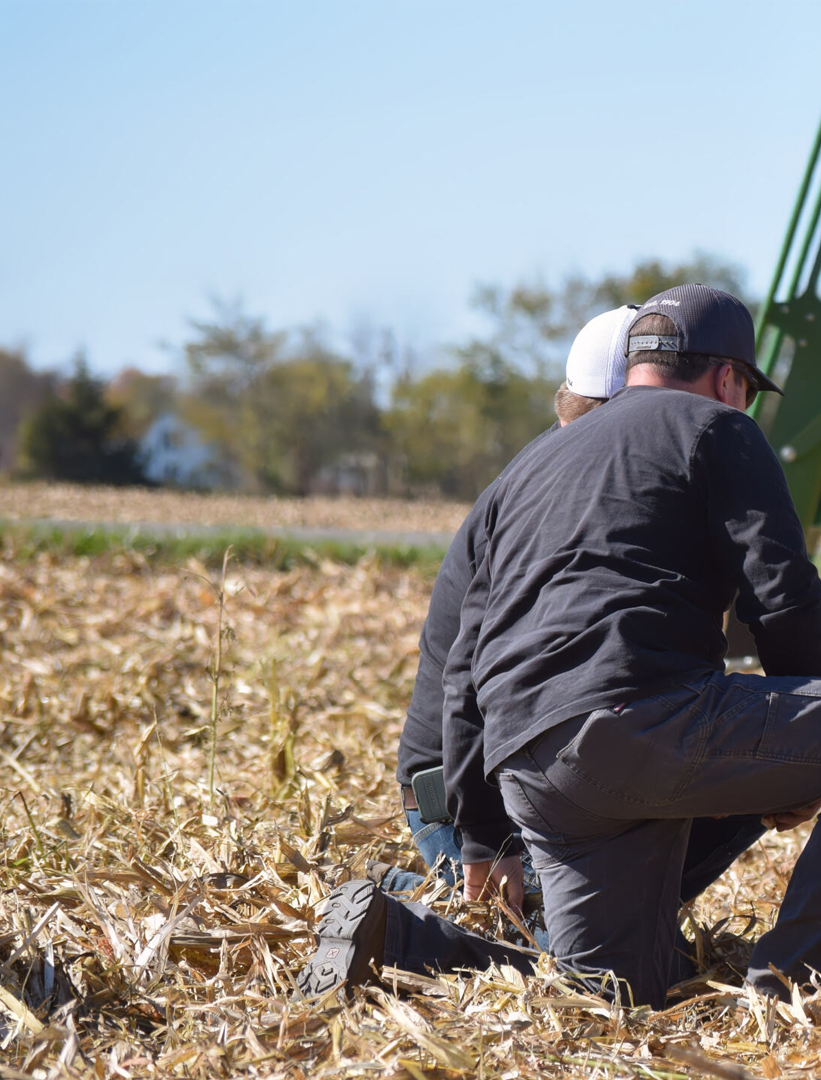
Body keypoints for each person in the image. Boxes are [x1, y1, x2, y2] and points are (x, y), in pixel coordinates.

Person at [439, 284, 821, 1007]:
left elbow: (466, 661)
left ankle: (401, 938)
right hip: (634, 721)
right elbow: (782, 593)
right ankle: (790, 988)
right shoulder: (716, 426)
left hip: (529, 766)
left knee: (620, 996)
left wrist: (482, 834)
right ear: (728, 378)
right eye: (743, 390)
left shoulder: (532, 463)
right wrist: (808, 764)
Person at [298, 304, 770, 997]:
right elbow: (472, 684)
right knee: (615, 984)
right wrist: (488, 840)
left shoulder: (590, 490)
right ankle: (404, 921)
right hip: (478, 789)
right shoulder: (553, 498)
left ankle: (483, 912)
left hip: (533, 772)